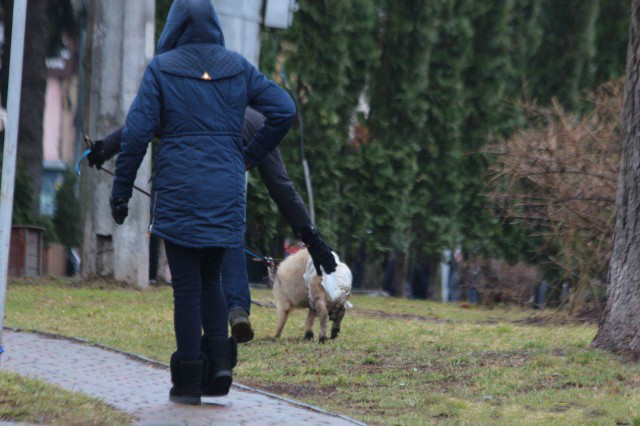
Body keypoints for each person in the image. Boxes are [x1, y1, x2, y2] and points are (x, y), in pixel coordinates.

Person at [109, 0, 296, 405]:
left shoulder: (162, 69)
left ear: (174, 26)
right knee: (211, 279)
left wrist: (121, 191)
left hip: (178, 193)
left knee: (187, 288)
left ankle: (190, 380)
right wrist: (246, 156)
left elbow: (138, 133)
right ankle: (222, 366)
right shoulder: (238, 67)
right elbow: (284, 110)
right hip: (226, 194)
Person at [88, 107, 337, 343]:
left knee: (192, 275)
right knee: (230, 238)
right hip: (226, 190)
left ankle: (199, 336)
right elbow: (282, 188)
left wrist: (103, 149)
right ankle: (238, 309)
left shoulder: (195, 102)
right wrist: (312, 238)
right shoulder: (260, 123)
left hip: (185, 186)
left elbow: (140, 125)